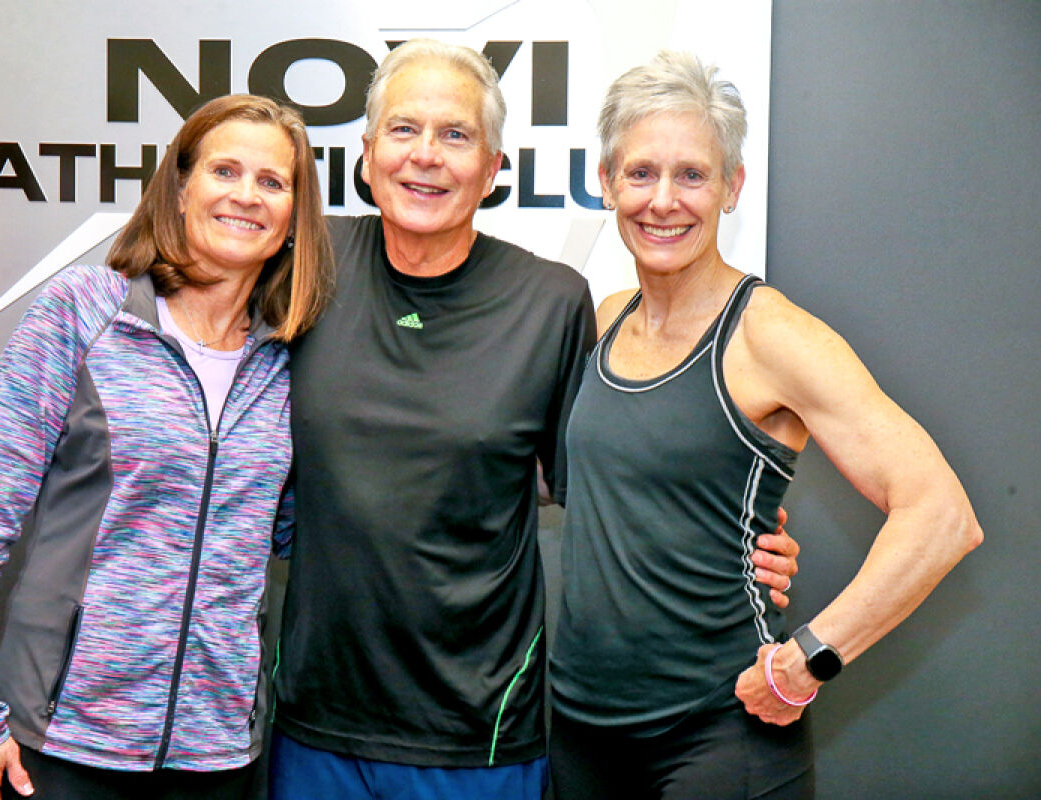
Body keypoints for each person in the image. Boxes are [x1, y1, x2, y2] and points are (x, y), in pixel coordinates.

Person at [267, 39, 799, 800]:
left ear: (492, 169)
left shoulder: (550, 301)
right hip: (314, 723)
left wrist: (738, 537)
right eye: (403, 129)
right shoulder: (302, 265)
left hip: (479, 734)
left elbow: (606, 478)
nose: (426, 156)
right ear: (366, 152)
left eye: (455, 136)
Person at [547, 50, 983, 800]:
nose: (663, 200)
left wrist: (808, 657)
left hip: (716, 736)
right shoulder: (608, 317)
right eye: (641, 173)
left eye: (692, 175)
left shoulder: (769, 335)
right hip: (579, 729)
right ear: (607, 181)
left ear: (731, 186)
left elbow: (943, 517)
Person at [0, 94, 333, 800]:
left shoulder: (287, 361)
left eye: (272, 182)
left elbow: (291, 529)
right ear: (180, 190)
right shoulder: (85, 311)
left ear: (294, 217)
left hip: (217, 754)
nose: (247, 195)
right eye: (225, 172)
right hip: (60, 739)